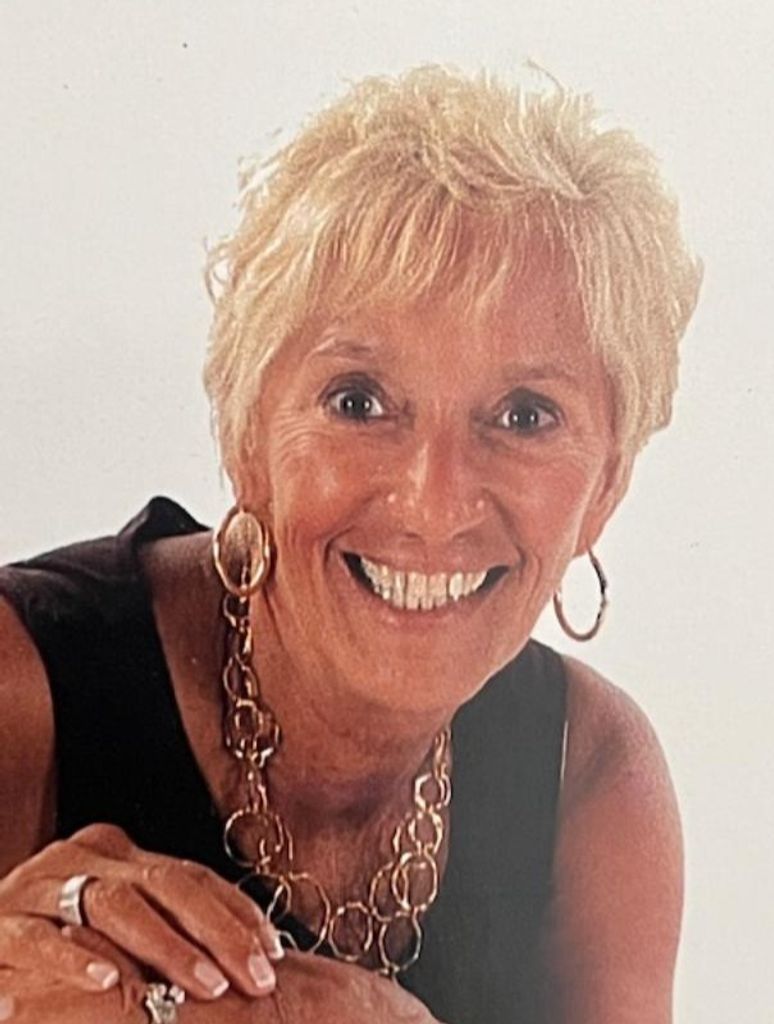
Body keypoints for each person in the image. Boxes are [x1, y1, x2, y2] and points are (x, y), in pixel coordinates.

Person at [0, 65, 701, 1023]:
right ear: (247, 438)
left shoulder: (587, 772)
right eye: (359, 401)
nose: (433, 503)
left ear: (605, 487)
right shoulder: (24, 686)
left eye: (524, 414)